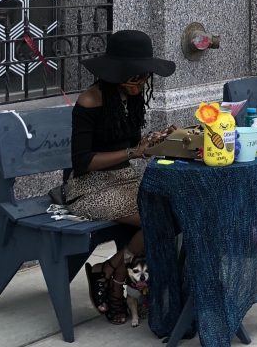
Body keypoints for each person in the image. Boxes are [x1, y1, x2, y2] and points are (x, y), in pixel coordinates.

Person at [66, 30, 176, 324]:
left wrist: (154, 142)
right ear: (117, 72)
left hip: (125, 179)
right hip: (89, 187)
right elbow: (82, 162)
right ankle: (116, 283)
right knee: (158, 216)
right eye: (134, 76)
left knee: (176, 207)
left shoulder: (132, 96)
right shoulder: (91, 99)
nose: (140, 82)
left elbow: (131, 146)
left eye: (144, 76)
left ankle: (111, 269)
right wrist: (134, 152)